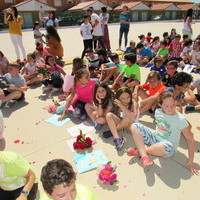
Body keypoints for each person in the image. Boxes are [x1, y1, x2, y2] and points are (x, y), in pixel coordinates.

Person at [129, 91, 199, 174]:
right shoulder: (158, 112)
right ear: (160, 105)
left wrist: (190, 161)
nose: (170, 108)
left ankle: (141, 150)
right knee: (135, 126)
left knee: (165, 147)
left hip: (168, 147)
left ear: (175, 103)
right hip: (155, 138)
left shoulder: (180, 120)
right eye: (166, 106)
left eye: (172, 105)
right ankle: (144, 157)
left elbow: (190, 139)